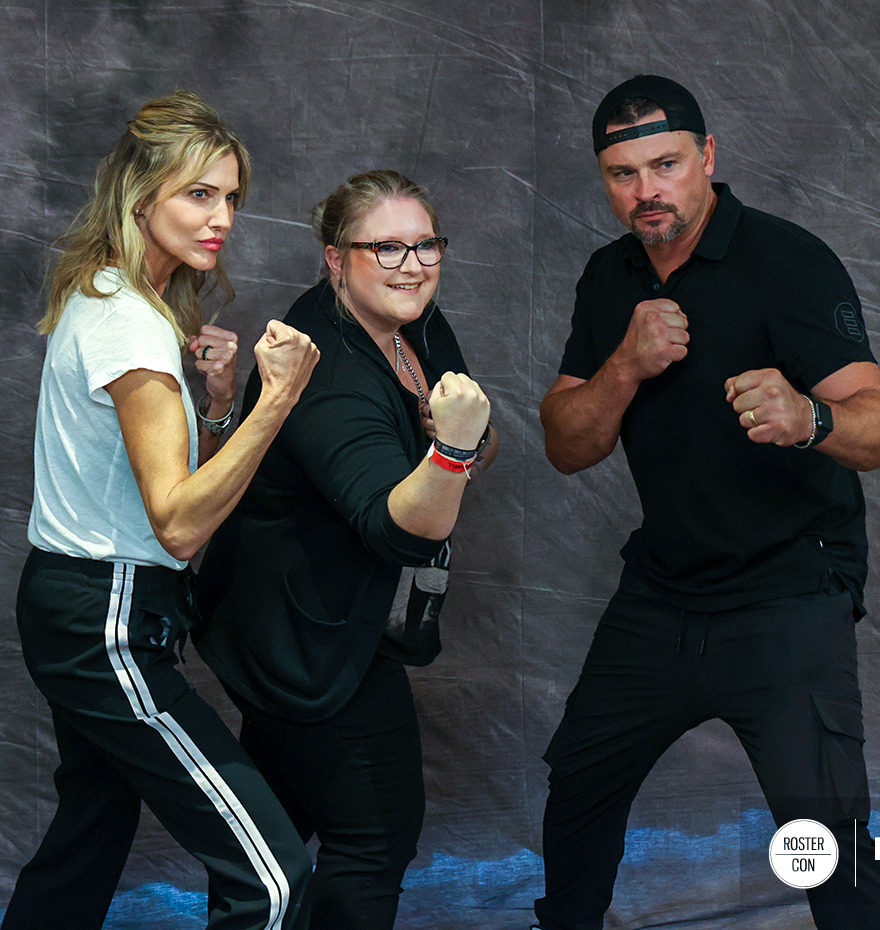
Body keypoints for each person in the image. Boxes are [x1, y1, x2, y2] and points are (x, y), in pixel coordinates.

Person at [533, 75, 880, 930]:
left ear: (708, 155)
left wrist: (809, 416)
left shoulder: (787, 260)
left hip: (787, 591)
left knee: (824, 838)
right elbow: (566, 444)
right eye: (623, 174)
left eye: (664, 165)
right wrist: (624, 365)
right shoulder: (610, 278)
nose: (646, 192)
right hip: (664, 591)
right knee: (580, 784)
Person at [2, 90, 319, 930]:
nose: (221, 218)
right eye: (199, 194)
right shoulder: (131, 324)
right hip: (104, 614)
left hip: (87, 602)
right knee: (275, 879)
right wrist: (273, 403)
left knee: (86, 843)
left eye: (230, 198)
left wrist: (216, 405)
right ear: (139, 195)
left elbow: (162, 499)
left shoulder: (114, 298)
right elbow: (180, 523)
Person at [194, 169, 498, 930]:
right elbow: (398, 526)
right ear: (336, 260)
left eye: (425, 243)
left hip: (329, 624)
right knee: (373, 837)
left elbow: (468, 437)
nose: (412, 264)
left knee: (275, 846)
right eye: (384, 248)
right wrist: (454, 453)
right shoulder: (328, 368)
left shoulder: (416, 326)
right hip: (311, 643)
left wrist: (465, 443)